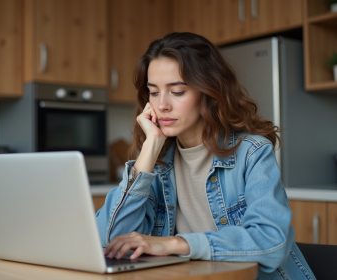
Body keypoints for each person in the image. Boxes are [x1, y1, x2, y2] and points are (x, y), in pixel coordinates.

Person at [95, 32, 315, 279]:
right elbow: (110, 241)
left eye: (177, 91)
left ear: (208, 92)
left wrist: (173, 244)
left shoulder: (252, 152)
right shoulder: (155, 161)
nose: (162, 105)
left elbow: (271, 241)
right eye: (154, 92)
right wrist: (148, 150)